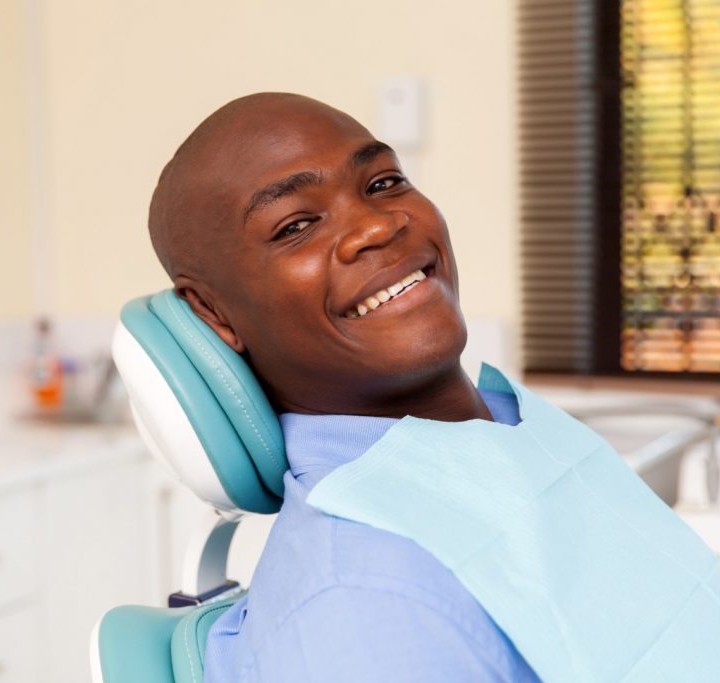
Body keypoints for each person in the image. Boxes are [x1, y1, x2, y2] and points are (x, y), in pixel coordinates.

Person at [148, 92, 539, 682]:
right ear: (213, 313)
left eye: (382, 183)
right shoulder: (367, 608)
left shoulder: (511, 427)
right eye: (296, 226)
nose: (378, 225)